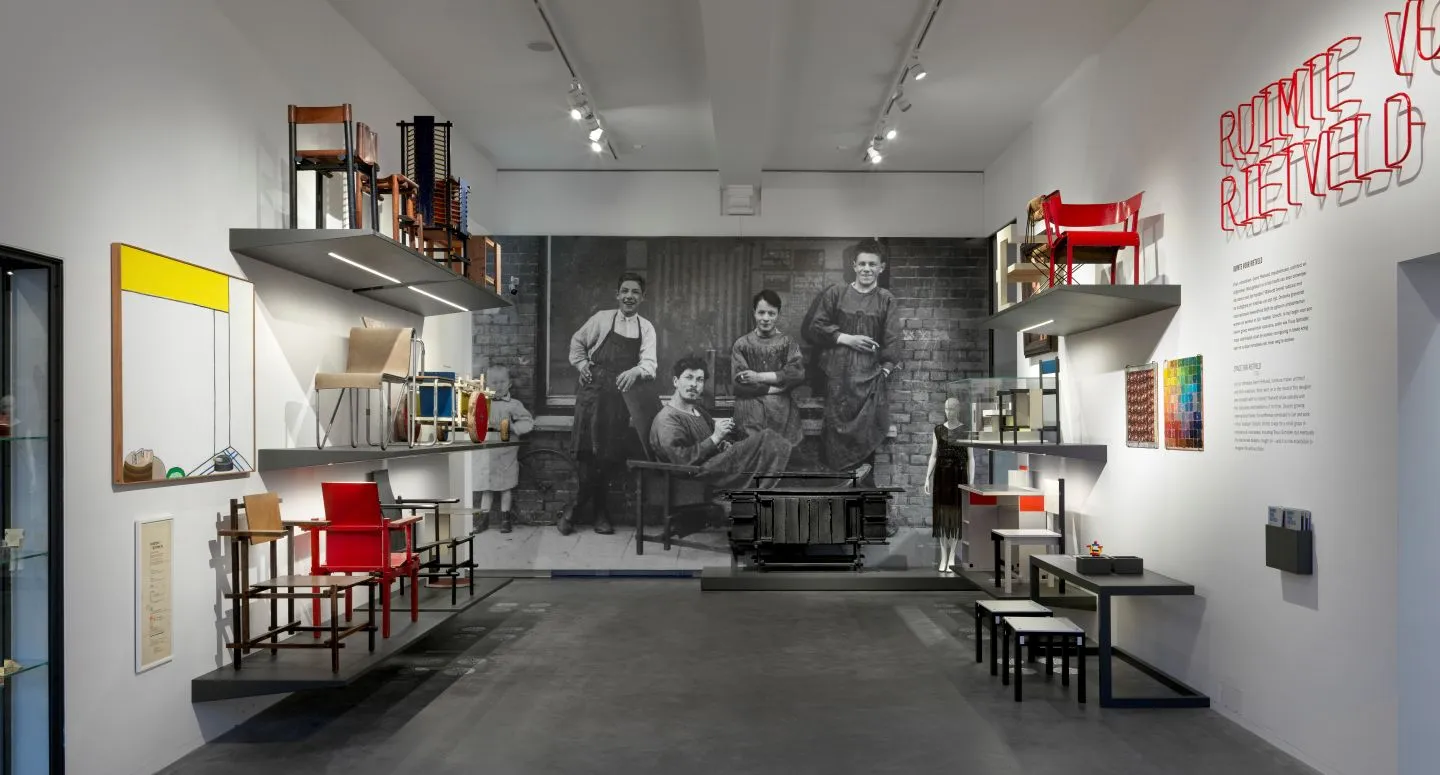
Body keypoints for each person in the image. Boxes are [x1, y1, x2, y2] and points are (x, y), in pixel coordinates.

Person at [566, 272, 656, 535]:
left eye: (635, 292)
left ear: (643, 297)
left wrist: (636, 371)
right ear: (617, 295)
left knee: (606, 458)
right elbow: (577, 342)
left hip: (619, 400)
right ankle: (591, 513)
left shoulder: (646, 328)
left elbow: (650, 364)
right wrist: (582, 365)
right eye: (625, 291)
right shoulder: (602, 319)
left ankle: (585, 511)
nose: (629, 296)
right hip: (591, 395)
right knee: (587, 456)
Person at [804, 239, 902, 480]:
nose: (867, 269)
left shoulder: (886, 299)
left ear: (881, 268)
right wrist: (846, 339)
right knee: (835, 433)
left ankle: (862, 487)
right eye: (862, 264)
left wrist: (885, 370)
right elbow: (815, 327)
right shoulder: (836, 294)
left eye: (872, 264)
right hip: (838, 380)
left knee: (865, 436)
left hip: (869, 382)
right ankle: (837, 486)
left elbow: (893, 340)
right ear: (854, 266)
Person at [649, 355, 792, 489]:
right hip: (697, 478)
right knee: (766, 438)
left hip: (714, 465)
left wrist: (722, 444)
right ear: (676, 381)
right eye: (689, 377)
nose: (694, 384)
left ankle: (778, 483)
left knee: (767, 441)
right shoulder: (667, 419)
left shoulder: (698, 411)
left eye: (699, 380)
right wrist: (715, 438)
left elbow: (713, 441)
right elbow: (680, 462)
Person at [731, 290, 805, 447]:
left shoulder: (787, 342)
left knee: (779, 453)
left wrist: (758, 377)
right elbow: (739, 385)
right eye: (761, 312)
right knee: (752, 452)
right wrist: (777, 388)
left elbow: (797, 374)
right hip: (750, 411)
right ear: (754, 313)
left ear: (778, 314)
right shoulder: (742, 344)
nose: (766, 318)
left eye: (771, 313)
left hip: (781, 413)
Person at [473, 366, 534, 534]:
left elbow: (527, 421)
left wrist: (514, 427)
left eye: (502, 382)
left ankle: (505, 518)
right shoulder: (482, 402)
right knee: (487, 487)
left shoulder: (514, 405)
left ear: (509, 384)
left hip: (506, 453)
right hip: (487, 453)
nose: (498, 386)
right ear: (487, 384)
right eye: (494, 382)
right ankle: (483, 519)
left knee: (506, 486)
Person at [924, 397, 969, 572]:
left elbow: (971, 458)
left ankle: (952, 557)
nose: (949, 412)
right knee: (942, 517)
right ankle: (944, 556)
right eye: (946, 409)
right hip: (941, 476)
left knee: (955, 516)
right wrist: (926, 478)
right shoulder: (938, 430)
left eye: (952, 408)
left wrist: (971, 482)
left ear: (958, 409)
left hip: (958, 476)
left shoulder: (965, 430)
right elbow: (933, 456)